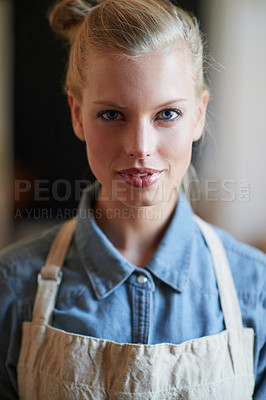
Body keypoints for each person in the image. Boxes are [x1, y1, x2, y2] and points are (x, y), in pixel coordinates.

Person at [0, 0, 265, 398]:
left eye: (167, 114)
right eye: (111, 115)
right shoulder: (12, 285)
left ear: (198, 114)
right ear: (77, 114)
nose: (140, 147)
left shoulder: (256, 287)